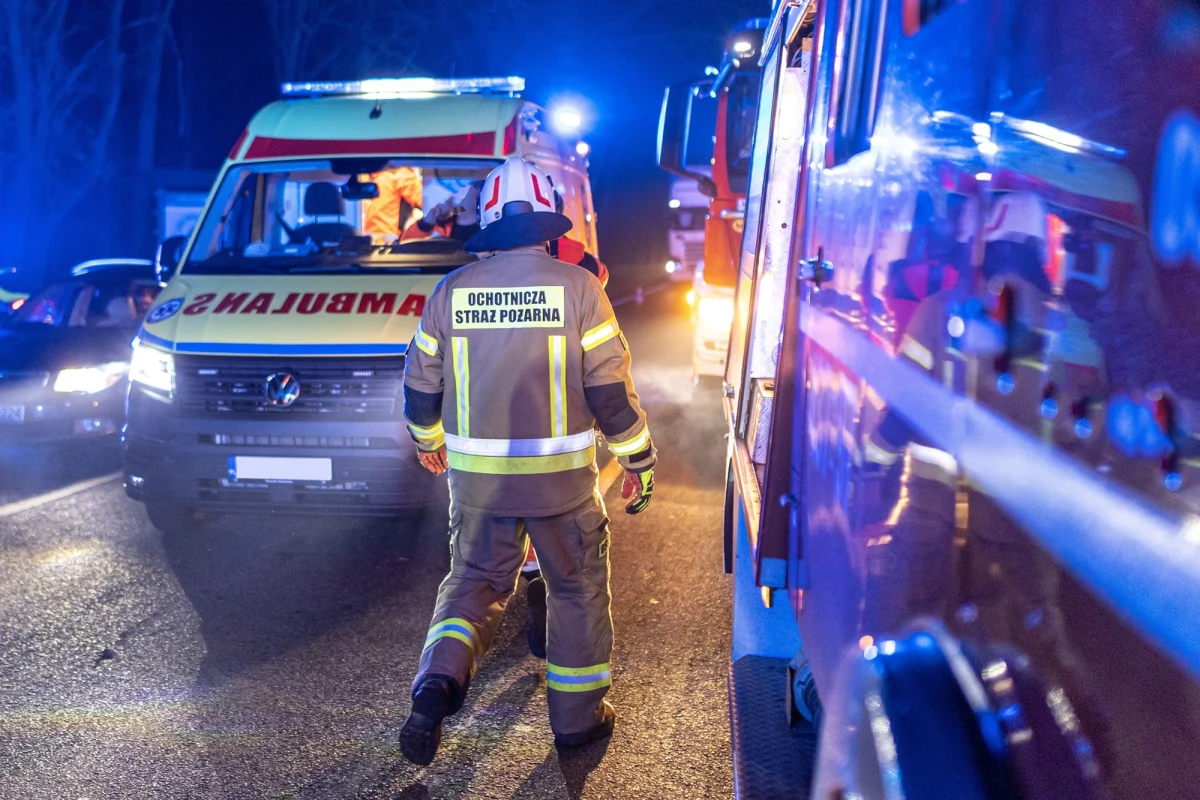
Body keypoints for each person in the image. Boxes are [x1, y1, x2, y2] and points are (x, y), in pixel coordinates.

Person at [399, 157, 656, 765]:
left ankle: (437, 682)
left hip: (479, 485)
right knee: (575, 591)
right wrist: (638, 459)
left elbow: (419, 385)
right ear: (546, 222)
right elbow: (609, 395)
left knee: (472, 586)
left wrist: (429, 440)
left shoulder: (451, 292)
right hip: (562, 486)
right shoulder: (579, 288)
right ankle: (576, 722)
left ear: (487, 218)